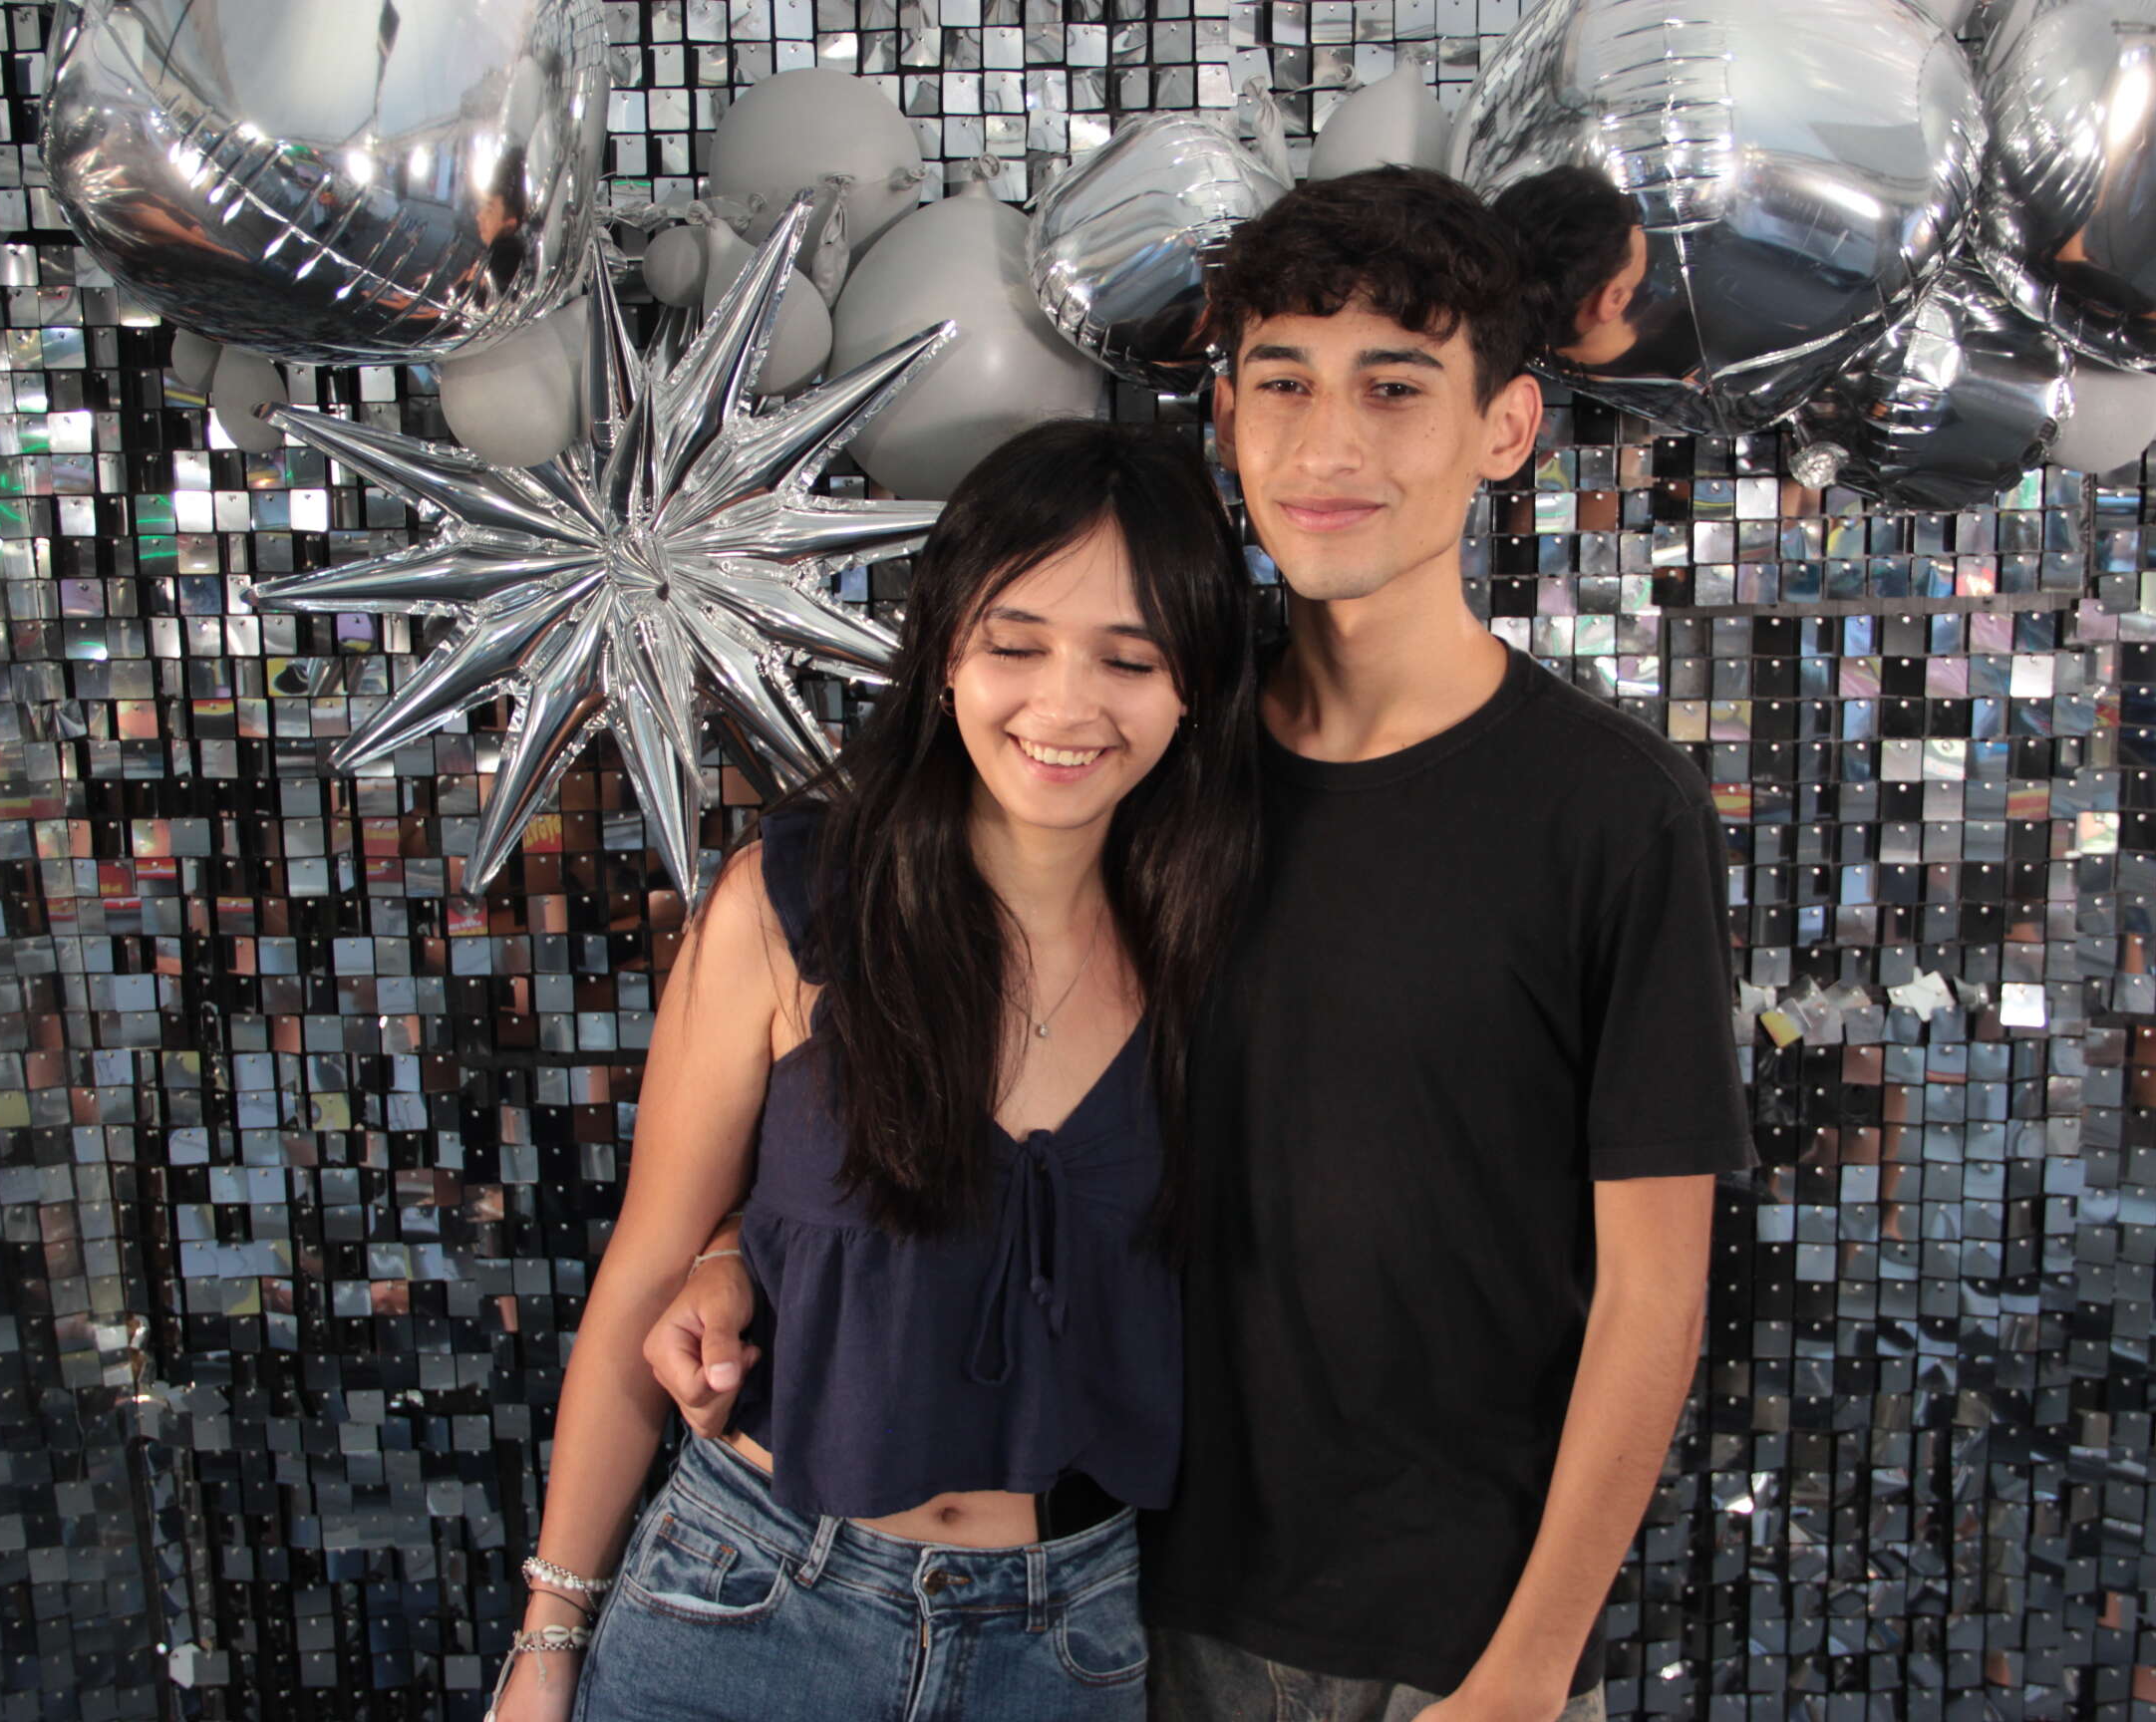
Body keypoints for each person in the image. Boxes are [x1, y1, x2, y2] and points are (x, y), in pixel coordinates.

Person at [658, 166, 1754, 1722]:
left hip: (1454, 1632)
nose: (1328, 445)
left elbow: (1657, 1290)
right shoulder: (1145, 756)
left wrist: (1527, 1668)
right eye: (1284, 383)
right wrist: (729, 1245)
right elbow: (937, 1049)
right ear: (1226, 416)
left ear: (1506, 427)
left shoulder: (1611, 811)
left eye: (1396, 388)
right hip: (1132, 1603)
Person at [486, 418, 1260, 1722]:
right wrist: (549, 1631)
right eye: (1016, 644)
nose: (1067, 705)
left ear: (1193, 687)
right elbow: (646, 1267)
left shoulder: (1215, 945)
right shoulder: (790, 903)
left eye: (1129, 660)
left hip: (1064, 1645)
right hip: (749, 1604)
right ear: (945, 652)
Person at [1488, 165, 1655, 373]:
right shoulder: (1678, 367)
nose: (1639, 226)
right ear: (1614, 299)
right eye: (1635, 220)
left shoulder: (1501, 372)